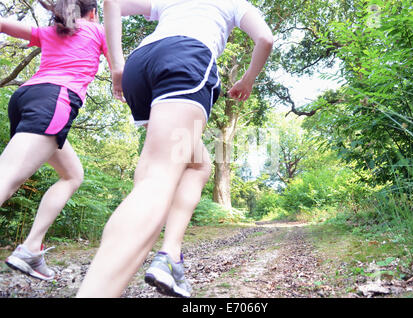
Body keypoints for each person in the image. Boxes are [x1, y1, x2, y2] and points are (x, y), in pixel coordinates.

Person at [76, 0, 273, 298]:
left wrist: (117, 65)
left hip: (140, 66)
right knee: (157, 177)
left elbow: (112, 3)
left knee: (198, 164)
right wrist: (247, 80)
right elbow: (265, 39)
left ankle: (171, 256)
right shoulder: (235, 3)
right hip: (185, 59)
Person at [1, 0, 110, 281]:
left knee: (72, 175)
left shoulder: (52, 31)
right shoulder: (98, 30)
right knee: (7, 178)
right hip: (55, 100)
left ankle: (31, 249)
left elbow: (4, 25)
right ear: (93, 12)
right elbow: (119, 64)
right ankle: (29, 249)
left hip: (28, 97)